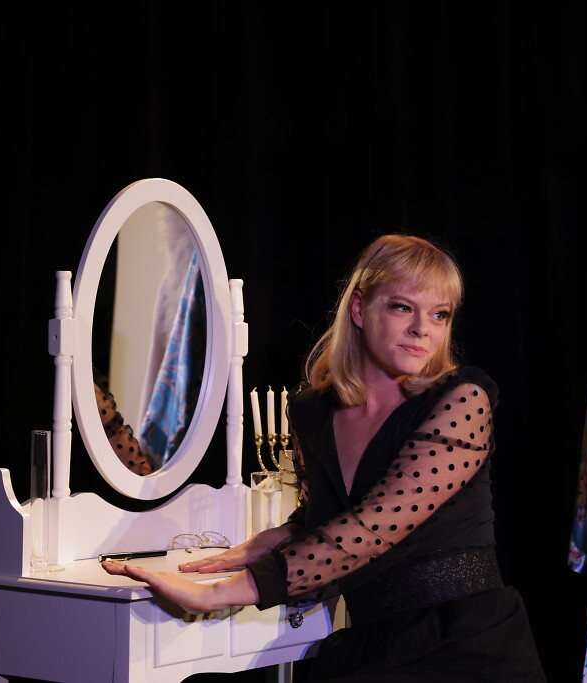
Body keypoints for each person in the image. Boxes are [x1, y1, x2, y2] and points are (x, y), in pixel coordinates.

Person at [102, 233, 546, 681]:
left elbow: (374, 525)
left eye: (439, 314)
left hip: (469, 646)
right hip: (372, 642)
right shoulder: (311, 410)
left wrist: (222, 592)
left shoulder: (461, 401)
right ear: (359, 309)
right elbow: (331, 513)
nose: (422, 329)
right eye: (402, 307)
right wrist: (275, 536)